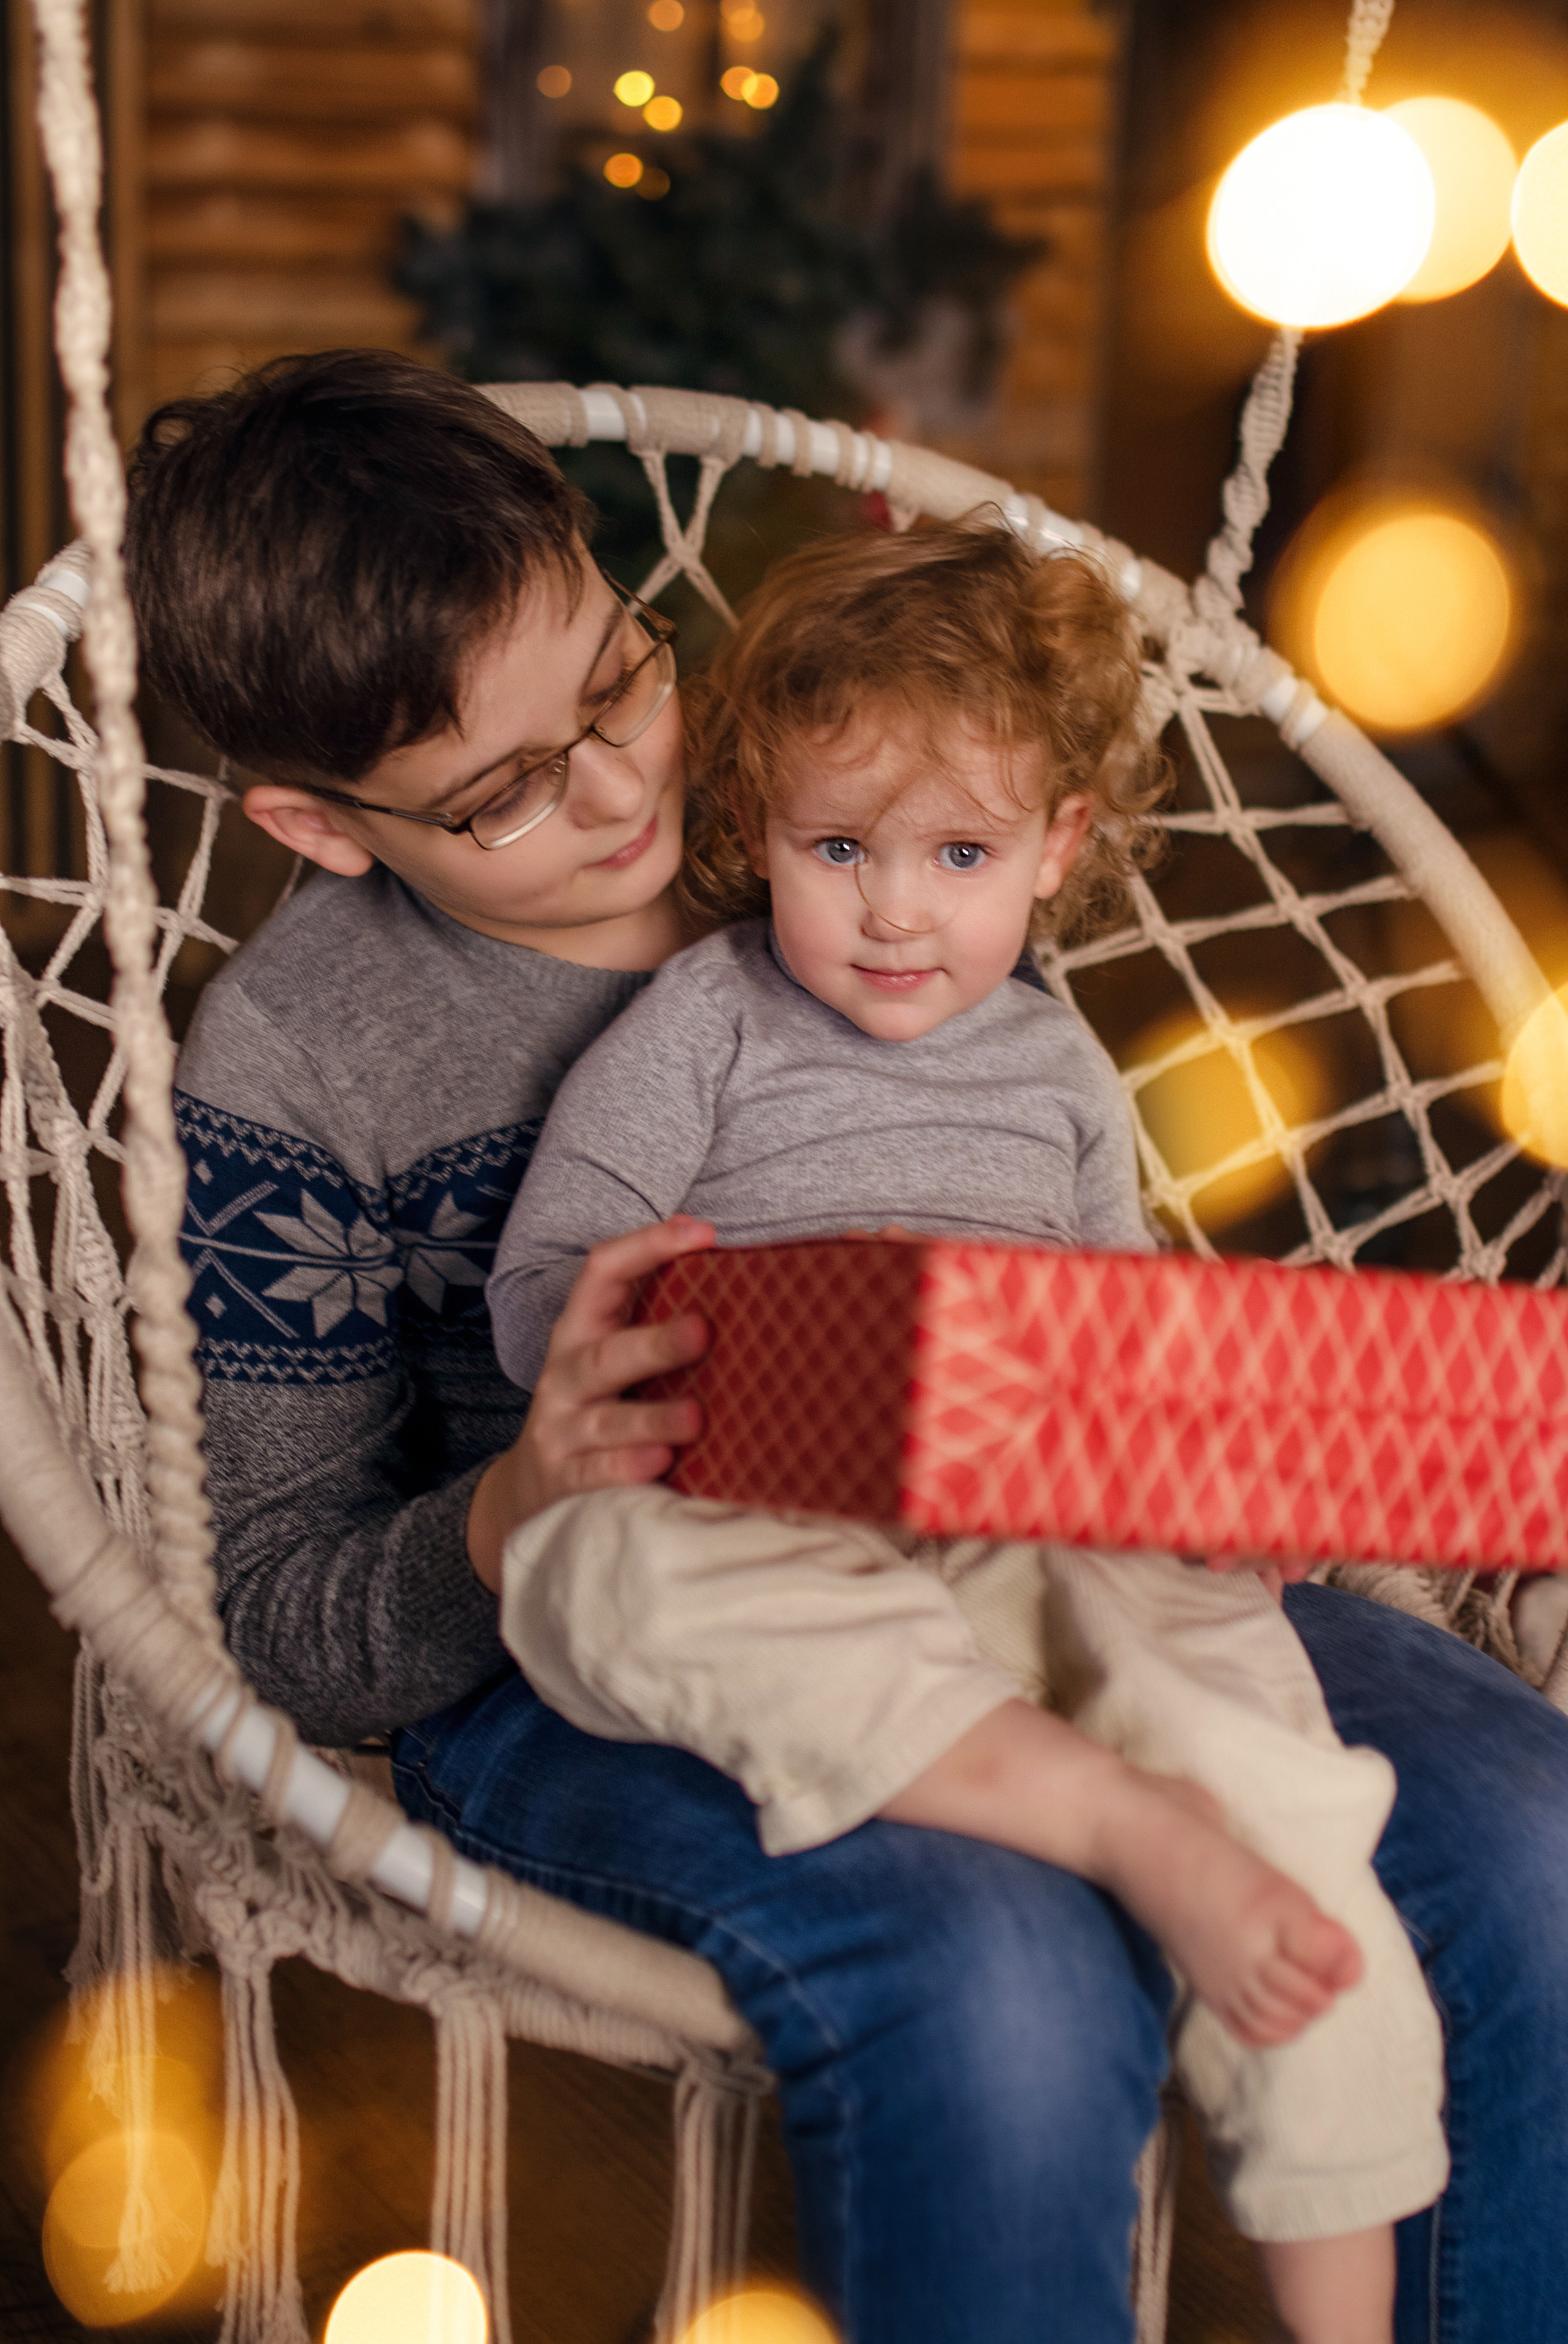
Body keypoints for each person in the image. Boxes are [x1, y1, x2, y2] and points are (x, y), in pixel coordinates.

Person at [125, 347, 1568, 2344]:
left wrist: (1194, 1451)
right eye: (506, 791)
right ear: (326, 821)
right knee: (1003, 1971)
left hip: (1046, 1536)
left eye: (621, 679)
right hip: (631, 1635)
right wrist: (518, 1497)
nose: (628, 787)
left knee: (1534, 1843)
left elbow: (1053, 1227)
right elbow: (275, 1610)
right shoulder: (293, 1063)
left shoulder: (825, 803)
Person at [483, 521, 1445, 2344]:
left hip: (1043, 1522)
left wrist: (1211, 1479)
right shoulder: (706, 1020)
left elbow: (1123, 1342)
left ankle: (1343, 2290)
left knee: (1265, 1754)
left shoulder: (1059, 1069)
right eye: (837, 849)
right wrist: (613, 1350)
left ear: (1060, 849)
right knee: (587, 1565)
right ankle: (1107, 1819)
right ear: (757, 821)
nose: (896, 909)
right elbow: (549, 1281)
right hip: (767, 1505)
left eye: (960, 854)